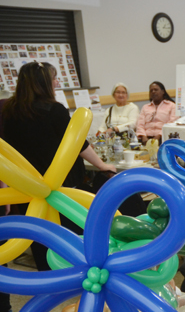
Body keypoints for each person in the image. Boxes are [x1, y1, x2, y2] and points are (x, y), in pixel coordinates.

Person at [1, 61, 115, 272]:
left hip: (27, 188)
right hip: (61, 187)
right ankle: (72, 277)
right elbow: (78, 144)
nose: (57, 82)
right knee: (68, 236)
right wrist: (101, 164)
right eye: (54, 78)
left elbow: (7, 153)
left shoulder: (9, 110)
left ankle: (48, 277)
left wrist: (6, 186)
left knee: (38, 235)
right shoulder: (54, 110)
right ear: (43, 82)